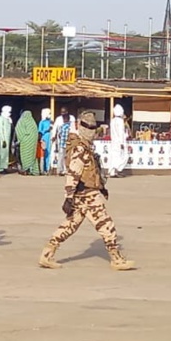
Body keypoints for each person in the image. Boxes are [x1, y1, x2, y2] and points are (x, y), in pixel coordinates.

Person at [39, 111, 135, 271]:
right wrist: (68, 196)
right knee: (106, 226)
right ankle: (117, 259)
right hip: (87, 196)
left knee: (69, 226)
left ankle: (47, 254)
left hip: (84, 194)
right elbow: (73, 174)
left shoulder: (84, 147)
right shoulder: (80, 149)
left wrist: (100, 188)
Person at [51, 107, 75, 175]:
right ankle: (60, 170)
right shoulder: (58, 119)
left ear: (67, 112)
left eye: (64, 112)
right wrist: (53, 136)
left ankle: (67, 170)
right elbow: (55, 128)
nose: (62, 114)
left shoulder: (72, 118)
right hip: (61, 140)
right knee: (61, 155)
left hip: (70, 140)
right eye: (61, 112)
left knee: (69, 155)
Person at [15, 109, 39, 175]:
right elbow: (36, 133)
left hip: (25, 143)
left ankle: (26, 169)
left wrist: (20, 140)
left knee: (26, 155)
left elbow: (19, 130)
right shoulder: (32, 122)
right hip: (33, 143)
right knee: (32, 156)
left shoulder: (21, 121)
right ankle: (33, 170)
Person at [108, 104, 129, 178]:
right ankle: (117, 168)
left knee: (114, 156)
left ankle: (112, 172)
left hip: (114, 141)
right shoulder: (120, 121)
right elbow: (121, 133)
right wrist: (122, 143)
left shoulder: (112, 121)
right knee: (124, 156)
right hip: (120, 142)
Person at [0, 105, 13, 173]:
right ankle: (0, 168)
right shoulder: (0, 119)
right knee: (1, 153)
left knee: (6, 153)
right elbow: (0, 130)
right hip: (2, 139)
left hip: (7, 138)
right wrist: (3, 140)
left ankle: (4, 166)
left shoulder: (7, 119)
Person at [38, 108, 52, 174]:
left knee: (50, 153)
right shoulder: (42, 122)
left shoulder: (50, 121)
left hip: (51, 138)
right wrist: (47, 130)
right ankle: (44, 169)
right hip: (45, 138)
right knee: (44, 154)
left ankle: (48, 168)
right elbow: (40, 131)